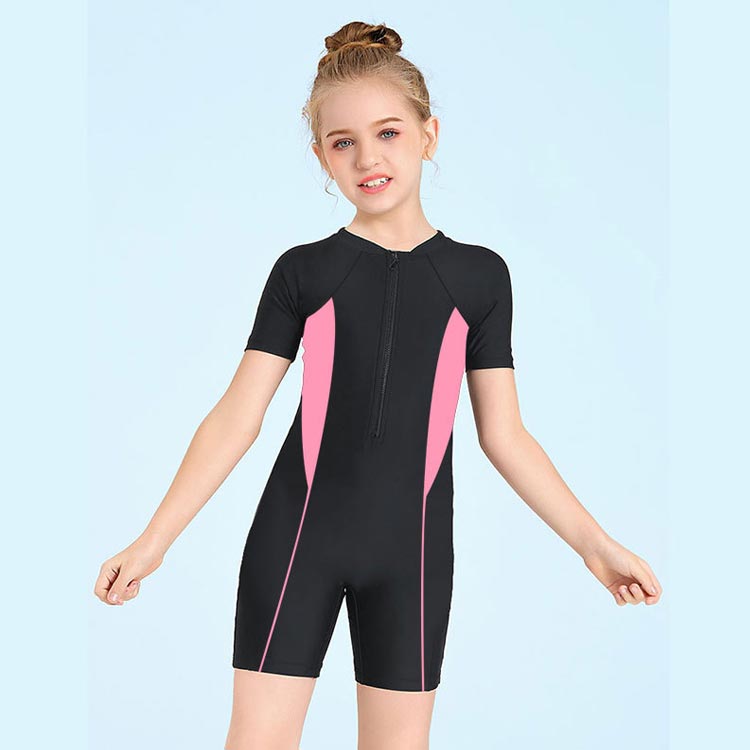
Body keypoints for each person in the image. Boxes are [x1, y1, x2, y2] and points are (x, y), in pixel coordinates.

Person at [93, 20, 662, 750]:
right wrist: (153, 541)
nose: (368, 157)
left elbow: (505, 435)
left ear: (429, 134)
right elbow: (237, 415)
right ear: (320, 156)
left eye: (388, 133)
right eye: (343, 142)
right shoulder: (303, 272)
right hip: (295, 540)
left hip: (413, 556)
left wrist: (595, 545)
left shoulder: (479, 278)